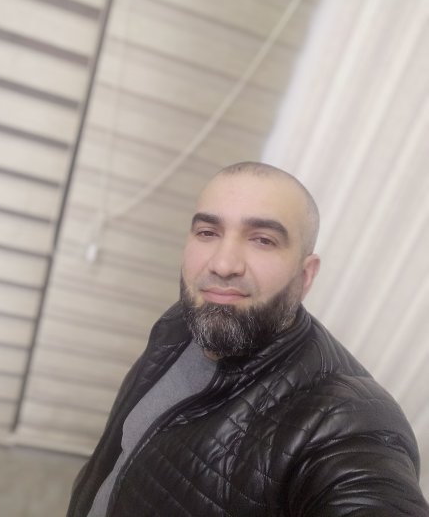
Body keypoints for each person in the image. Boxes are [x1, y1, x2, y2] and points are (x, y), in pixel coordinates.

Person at [67, 162, 429, 517]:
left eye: (263, 240)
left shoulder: (348, 420)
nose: (223, 265)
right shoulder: (184, 319)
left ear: (305, 275)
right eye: (208, 232)